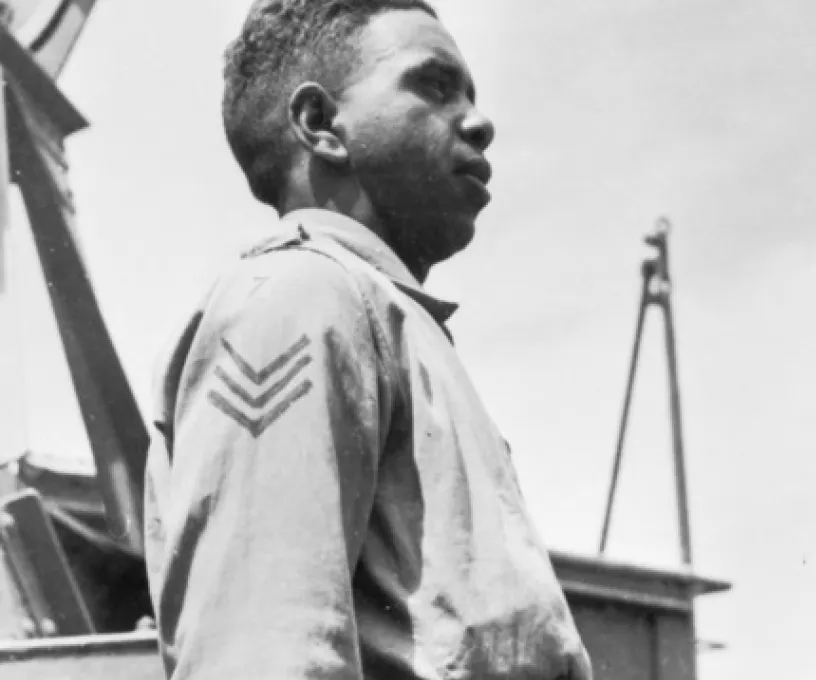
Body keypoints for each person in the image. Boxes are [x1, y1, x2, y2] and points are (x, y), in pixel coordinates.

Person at [142, 2, 593, 679]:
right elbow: (265, 656)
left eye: (470, 93)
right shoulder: (300, 296)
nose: (479, 120)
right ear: (322, 125)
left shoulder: (388, 320)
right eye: (434, 87)